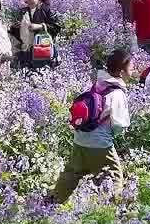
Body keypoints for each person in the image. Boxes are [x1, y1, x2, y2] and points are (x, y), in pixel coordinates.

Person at [49, 48, 134, 204]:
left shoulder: (97, 84)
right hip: (100, 144)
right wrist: (112, 134)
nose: (133, 70)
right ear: (122, 72)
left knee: (72, 172)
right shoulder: (117, 93)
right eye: (131, 68)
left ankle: (53, 200)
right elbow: (120, 124)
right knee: (114, 176)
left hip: (80, 138)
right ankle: (113, 208)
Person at [11, 0, 65, 71]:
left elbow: (57, 27)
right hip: (26, 55)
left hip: (43, 53)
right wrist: (15, 27)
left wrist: (40, 26)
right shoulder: (22, 12)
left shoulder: (46, 9)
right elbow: (17, 36)